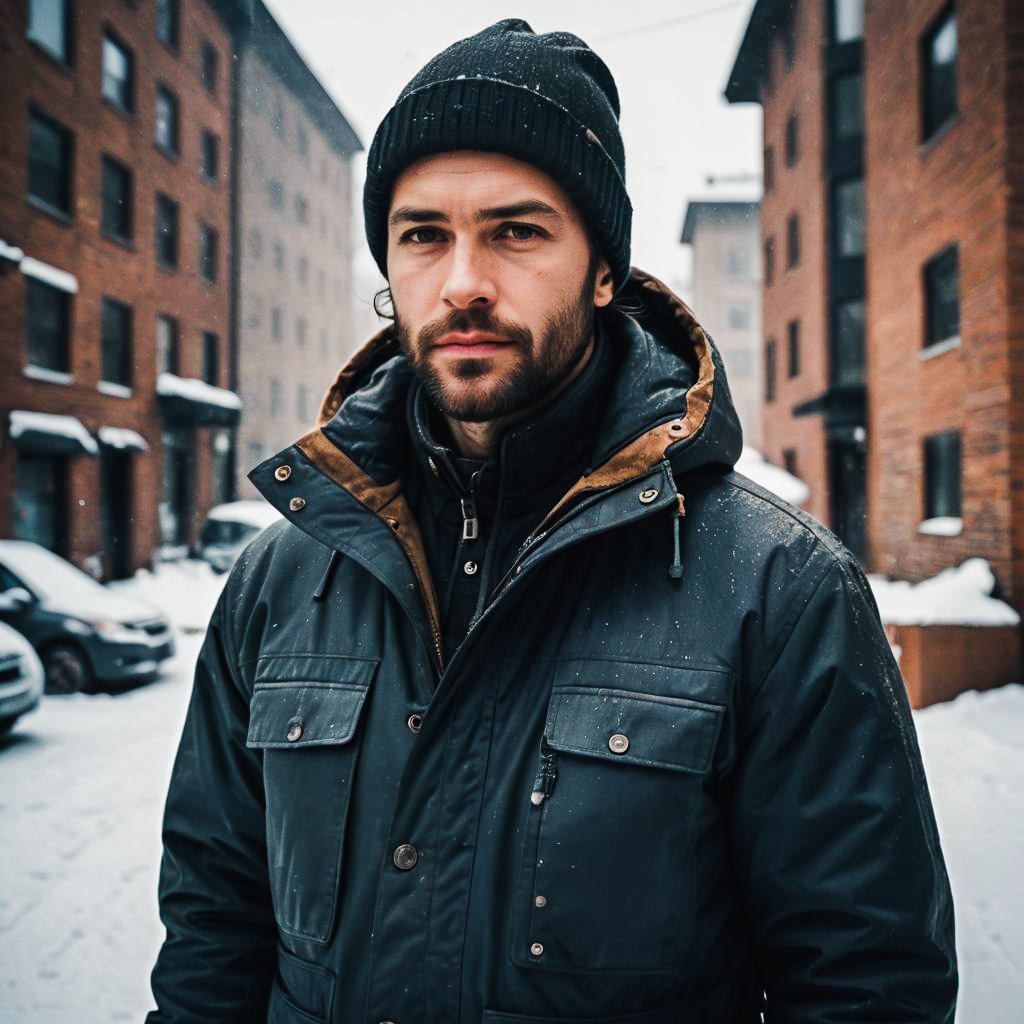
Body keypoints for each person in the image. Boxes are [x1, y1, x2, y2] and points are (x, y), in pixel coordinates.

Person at [147, 19, 957, 1023]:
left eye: (517, 231)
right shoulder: (279, 580)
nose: (462, 282)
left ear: (604, 269)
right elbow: (212, 929)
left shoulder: (777, 589)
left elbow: (863, 981)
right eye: (422, 234)